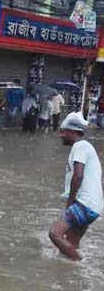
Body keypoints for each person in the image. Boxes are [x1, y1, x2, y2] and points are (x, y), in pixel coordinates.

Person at [49, 112, 103, 261]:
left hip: (84, 203)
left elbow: (78, 175)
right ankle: (72, 273)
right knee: (70, 245)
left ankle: (81, 263)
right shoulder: (86, 147)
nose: (60, 135)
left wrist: (70, 202)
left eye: (63, 132)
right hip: (94, 206)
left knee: (55, 234)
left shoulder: (80, 146)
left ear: (72, 132)